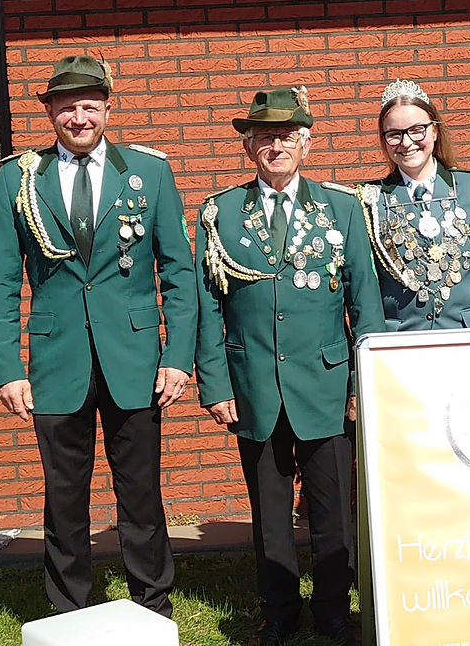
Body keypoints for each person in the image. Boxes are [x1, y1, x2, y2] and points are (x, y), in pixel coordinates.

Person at [0, 54, 196, 616]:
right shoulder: (18, 177)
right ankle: (68, 611)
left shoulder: (148, 172)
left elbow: (179, 272)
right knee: (64, 497)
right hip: (56, 360)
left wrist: (177, 357)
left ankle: (152, 606)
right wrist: (7, 370)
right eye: (67, 107)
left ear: (107, 108)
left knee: (141, 492)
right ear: (50, 111)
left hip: (135, 359)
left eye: (89, 106)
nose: (79, 117)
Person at [194, 86, 385, 645]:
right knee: (270, 509)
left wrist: (363, 381)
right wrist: (215, 383)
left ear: (306, 143)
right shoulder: (220, 213)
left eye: (285, 136)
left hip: (325, 382)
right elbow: (208, 305)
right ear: (248, 146)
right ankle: (278, 609)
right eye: (264, 137)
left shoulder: (341, 207)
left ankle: (333, 608)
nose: (275, 146)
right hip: (254, 383)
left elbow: (364, 302)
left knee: (333, 507)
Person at [348, 78, 470, 330]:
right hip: (402, 338)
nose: (406, 142)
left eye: (417, 130)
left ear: (435, 130)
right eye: (394, 134)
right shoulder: (370, 201)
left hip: (468, 333)